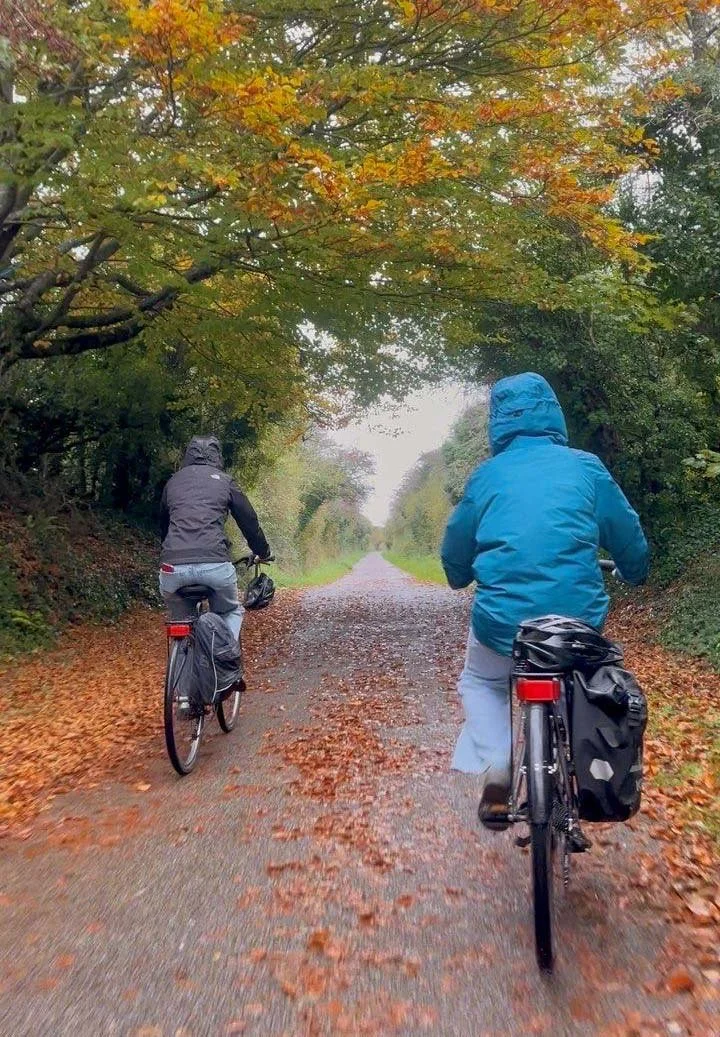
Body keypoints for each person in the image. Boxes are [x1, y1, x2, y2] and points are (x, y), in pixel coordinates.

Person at [440, 372, 649, 828]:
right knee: (586, 678)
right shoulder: (586, 467)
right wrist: (635, 570)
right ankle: (584, 766)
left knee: (484, 682)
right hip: (576, 621)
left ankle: (497, 772)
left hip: (503, 626)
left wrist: (459, 576)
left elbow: (457, 542)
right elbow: (625, 530)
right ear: (553, 413)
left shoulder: (487, 476)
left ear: (498, 424)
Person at [159, 435, 271, 643]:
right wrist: (262, 551)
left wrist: (170, 553)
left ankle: (180, 658)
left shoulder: (173, 482)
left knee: (180, 621)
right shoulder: (225, 482)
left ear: (188, 456)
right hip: (214, 564)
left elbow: (164, 526)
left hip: (172, 567)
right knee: (229, 612)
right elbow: (249, 521)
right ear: (217, 457)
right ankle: (225, 664)